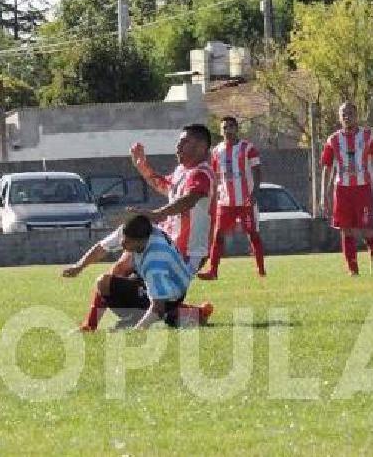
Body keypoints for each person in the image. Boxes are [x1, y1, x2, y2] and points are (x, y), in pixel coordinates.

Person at [62, 215, 214, 331]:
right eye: (123, 239)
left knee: (106, 282)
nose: (122, 244)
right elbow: (102, 248)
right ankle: (194, 313)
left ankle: (184, 313)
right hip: (164, 282)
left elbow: (158, 307)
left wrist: (137, 331)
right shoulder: (136, 230)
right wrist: (79, 266)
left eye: (127, 242)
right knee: (116, 272)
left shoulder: (155, 261)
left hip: (171, 295)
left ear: (141, 241)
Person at [127, 124, 216, 274]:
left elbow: (190, 199)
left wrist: (157, 213)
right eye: (179, 142)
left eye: (184, 142)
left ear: (201, 147)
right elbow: (165, 187)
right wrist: (142, 167)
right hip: (170, 244)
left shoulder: (202, 173)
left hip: (189, 252)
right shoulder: (181, 171)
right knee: (124, 266)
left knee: (125, 279)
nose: (178, 146)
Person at [197, 116, 266, 280]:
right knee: (218, 234)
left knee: (253, 234)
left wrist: (255, 191)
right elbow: (214, 176)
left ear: (236, 129)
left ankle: (261, 269)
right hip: (225, 202)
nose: (227, 130)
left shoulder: (248, 148)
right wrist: (212, 198)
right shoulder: (216, 151)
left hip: (245, 201)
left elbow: (257, 170)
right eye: (224, 127)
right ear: (221, 131)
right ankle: (213, 271)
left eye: (230, 126)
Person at [320, 101, 373, 275]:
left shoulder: (369, 136)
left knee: (367, 231)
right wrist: (323, 194)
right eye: (343, 114)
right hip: (341, 190)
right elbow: (326, 167)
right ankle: (353, 269)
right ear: (339, 118)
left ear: (357, 115)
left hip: (364, 189)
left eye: (350, 113)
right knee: (346, 229)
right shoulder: (333, 140)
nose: (347, 117)